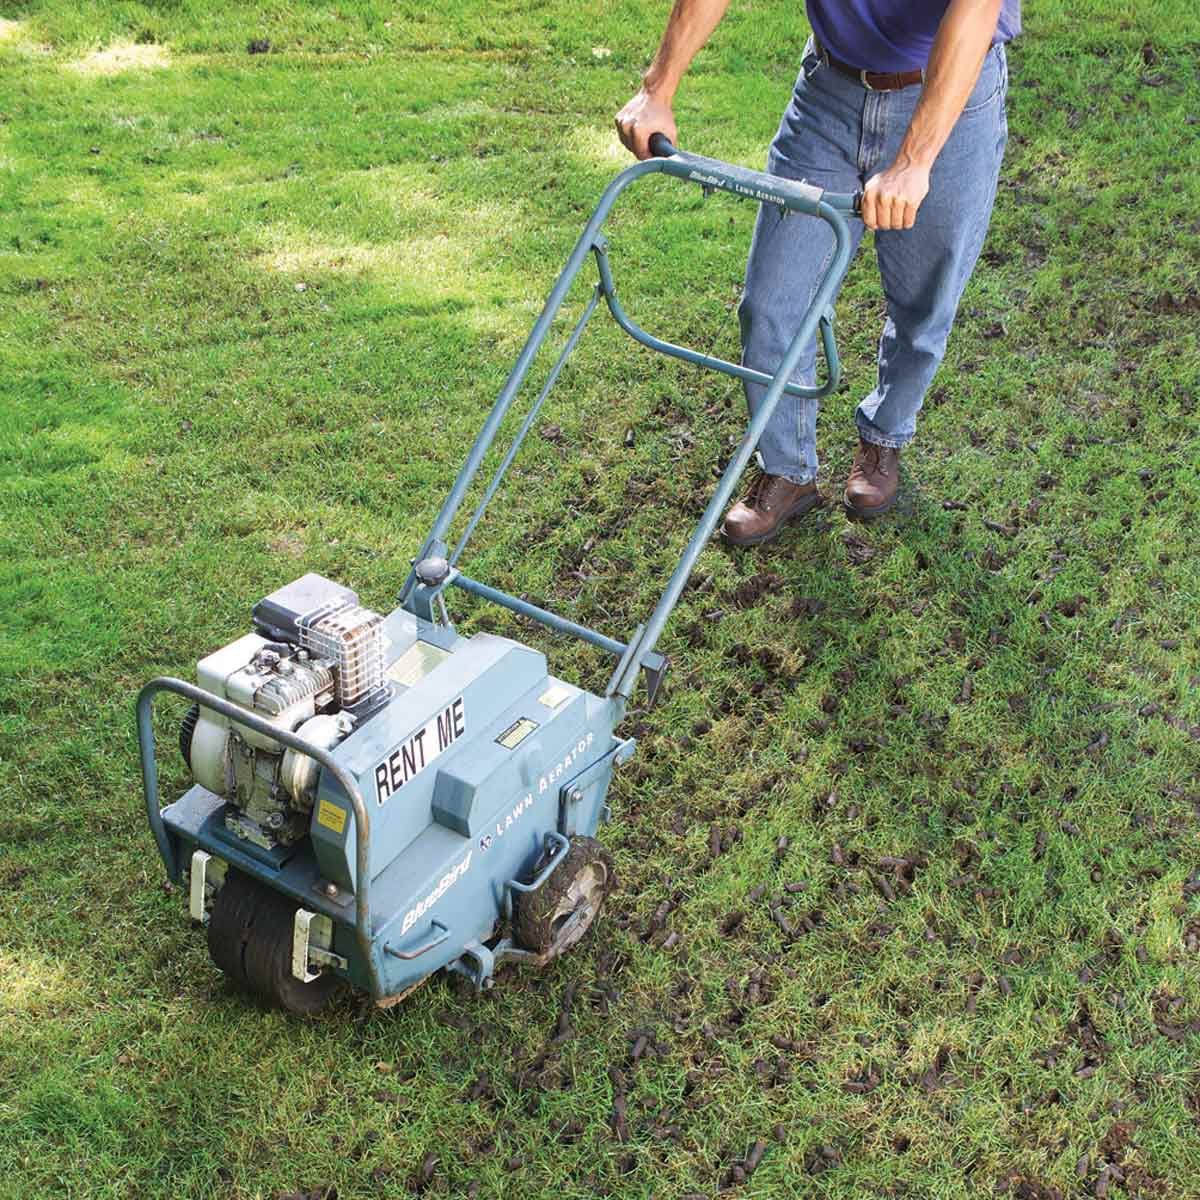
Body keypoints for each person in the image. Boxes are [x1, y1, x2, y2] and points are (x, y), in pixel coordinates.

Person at [616, 0, 1019, 540]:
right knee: (771, 304)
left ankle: (885, 437)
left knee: (924, 301)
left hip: (950, 95)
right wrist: (657, 89)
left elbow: (975, 10)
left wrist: (913, 161)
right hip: (828, 92)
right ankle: (786, 470)